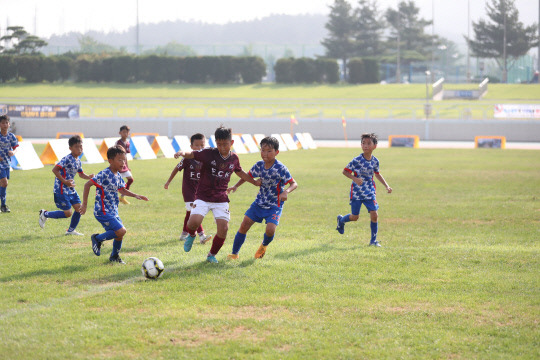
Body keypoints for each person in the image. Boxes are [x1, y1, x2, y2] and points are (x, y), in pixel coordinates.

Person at [173, 125, 261, 263]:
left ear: (231, 143)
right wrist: (182, 152)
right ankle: (191, 235)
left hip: (221, 198)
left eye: (225, 144)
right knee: (193, 223)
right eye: (219, 144)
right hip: (203, 196)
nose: (222, 147)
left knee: (223, 229)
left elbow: (240, 172)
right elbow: (192, 154)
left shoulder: (234, 158)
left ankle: (211, 255)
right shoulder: (209, 153)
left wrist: (254, 182)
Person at [227, 136, 297, 259]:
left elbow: (294, 183)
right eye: (263, 150)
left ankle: (264, 245)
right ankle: (234, 253)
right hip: (259, 203)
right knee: (244, 225)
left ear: (276, 152)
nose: (265, 154)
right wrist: (235, 186)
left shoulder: (280, 168)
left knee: (270, 230)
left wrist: (286, 192)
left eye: (269, 151)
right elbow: (247, 176)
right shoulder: (259, 165)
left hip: (275, 204)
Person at [79, 145, 148, 264]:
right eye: (119, 160)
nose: (123, 163)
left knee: (119, 235)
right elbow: (87, 185)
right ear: (110, 161)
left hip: (113, 210)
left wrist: (136, 195)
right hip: (102, 211)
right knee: (121, 231)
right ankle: (97, 238)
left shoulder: (118, 176)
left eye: (124, 160)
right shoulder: (104, 174)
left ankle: (114, 257)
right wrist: (84, 204)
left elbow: (122, 190)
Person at [336, 133, 392, 247]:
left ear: (374, 146)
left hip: (370, 192)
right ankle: (341, 220)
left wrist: (386, 185)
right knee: (354, 217)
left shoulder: (375, 161)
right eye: (363, 143)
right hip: (356, 193)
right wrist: (354, 178)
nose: (365, 145)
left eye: (368, 143)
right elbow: (345, 171)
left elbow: (377, 174)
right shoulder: (356, 160)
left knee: (374, 214)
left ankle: (373, 241)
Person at [38, 135, 94, 235]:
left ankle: (71, 230)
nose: (80, 149)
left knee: (79, 209)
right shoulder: (67, 158)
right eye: (77, 147)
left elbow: (81, 174)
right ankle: (45, 214)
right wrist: (65, 181)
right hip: (61, 189)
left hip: (70, 189)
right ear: (70, 148)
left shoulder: (78, 161)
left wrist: (89, 177)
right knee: (68, 213)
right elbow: (55, 169)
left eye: (81, 146)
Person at [164, 133, 212, 244]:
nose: (200, 148)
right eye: (197, 145)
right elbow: (176, 169)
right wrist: (168, 182)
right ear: (191, 147)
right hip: (188, 191)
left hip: (199, 191)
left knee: (189, 213)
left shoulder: (205, 159)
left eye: (202, 145)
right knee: (194, 211)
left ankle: (183, 234)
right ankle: (202, 235)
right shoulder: (187, 159)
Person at [0, 115, 18, 213]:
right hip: (0, 164)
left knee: (3, 185)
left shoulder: (11, 136)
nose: (5, 125)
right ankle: (3, 206)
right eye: (3, 123)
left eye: (6, 123)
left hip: (7, 163)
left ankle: (3, 205)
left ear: (9, 124)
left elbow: (15, 148)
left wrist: (13, 152)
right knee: (4, 182)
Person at [116, 125, 134, 205]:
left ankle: (122, 196)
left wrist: (127, 166)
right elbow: (115, 155)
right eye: (124, 132)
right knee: (116, 182)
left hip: (124, 166)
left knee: (130, 180)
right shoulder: (118, 143)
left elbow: (125, 156)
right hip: (118, 165)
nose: (125, 134)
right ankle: (113, 196)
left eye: (127, 132)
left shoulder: (127, 143)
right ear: (120, 133)